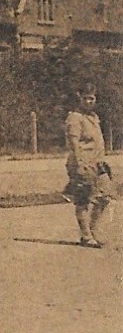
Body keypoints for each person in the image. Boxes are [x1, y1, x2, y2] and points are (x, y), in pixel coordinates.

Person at [63, 85, 114, 248]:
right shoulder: (75, 118)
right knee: (83, 200)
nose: (89, 101)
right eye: (86, 98)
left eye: (92, 98)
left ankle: (92, 231)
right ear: (80, 98)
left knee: (105, 196)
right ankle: (86, 236)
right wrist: (79, 165)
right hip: (82, 163)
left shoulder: (94, 116)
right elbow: (74, 144)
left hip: (98, 164)